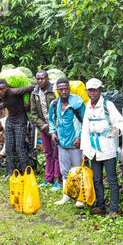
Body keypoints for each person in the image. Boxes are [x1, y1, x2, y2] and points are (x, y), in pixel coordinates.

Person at [80, 78, 123, 219]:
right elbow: (85, 130)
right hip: (93, 149)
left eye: (95, 90)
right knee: (97, 179)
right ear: (87, 92)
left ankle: (114, 208)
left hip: (107, 147)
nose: (93, 93)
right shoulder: (88, 105)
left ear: (100, 90)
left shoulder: (108, 105)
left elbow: (122, 123)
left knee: (112, 179)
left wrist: (116, 130)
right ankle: (100, 205)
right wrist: (84, 150)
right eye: (90, 90)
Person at [47, 78, 86, 206]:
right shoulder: (54, 104)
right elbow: (51, 120)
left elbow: (85, 121)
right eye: (61, 89)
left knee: (78, 170)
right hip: (62, 143)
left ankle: (80, 197)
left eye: (66, 89)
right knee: (65, 171)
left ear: (69, 89)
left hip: (75, 144)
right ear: (57, 90)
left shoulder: (77, 103)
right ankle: (66, 195)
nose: (64, 91)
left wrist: (80, 136)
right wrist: (53, 132)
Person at [0, 79, 35, 180]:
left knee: (20, 148)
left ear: (7, 87)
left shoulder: (15, 91)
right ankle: (12, 174)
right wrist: (0, 106)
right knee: (9, 148)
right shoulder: (0, 95)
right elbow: (8, 103)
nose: (0, 92)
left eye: (2, 89)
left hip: (20, 122)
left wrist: (29, 104)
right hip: (10, 121)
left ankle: (27, 174)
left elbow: (31, 88)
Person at [30, 70, 62, 191]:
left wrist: (54, 125)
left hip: (57, 126)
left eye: (42, 78)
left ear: (47, 78)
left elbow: (60, 107)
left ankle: (58, 179)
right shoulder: (35, 93)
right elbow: (33, 112)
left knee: (57, 153)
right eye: (38, 79)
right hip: (43, 127)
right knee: (47, 153)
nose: (40, 81)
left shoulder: (53, 91)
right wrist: (43, 125)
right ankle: (48, 179)